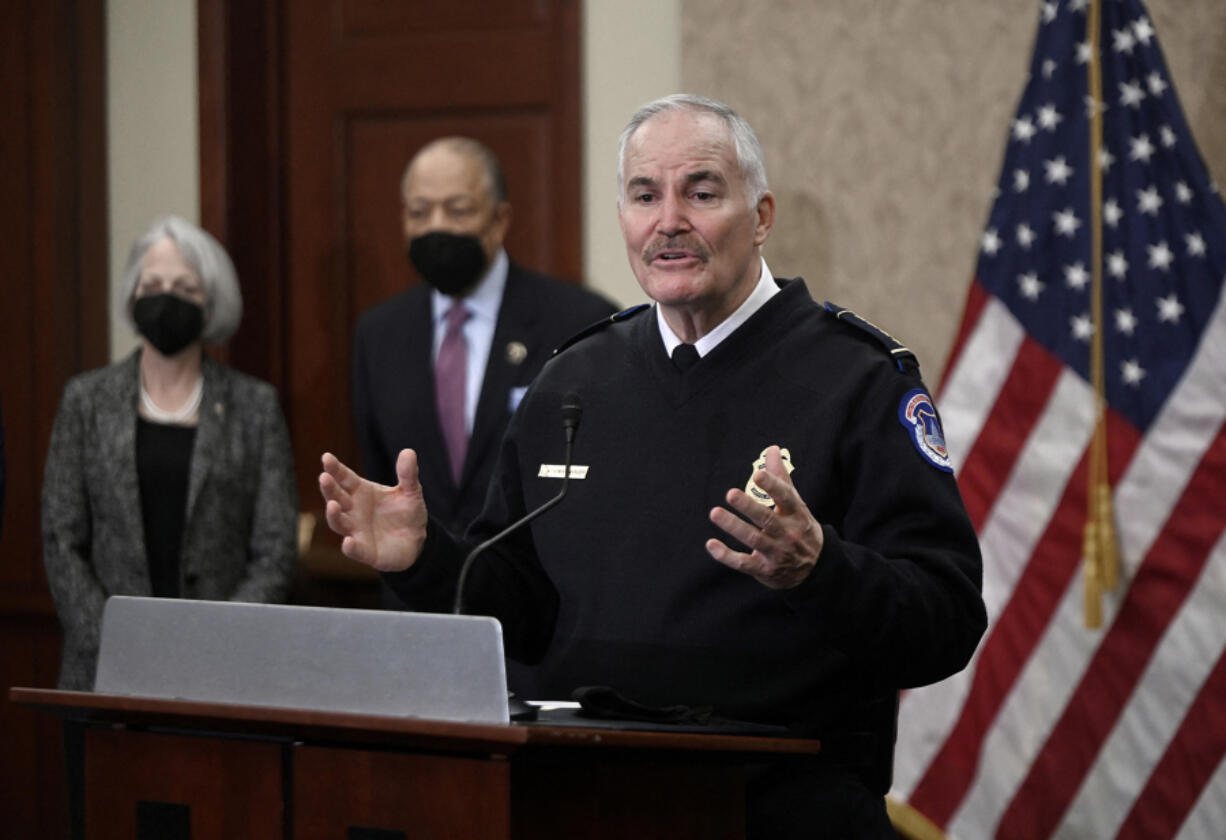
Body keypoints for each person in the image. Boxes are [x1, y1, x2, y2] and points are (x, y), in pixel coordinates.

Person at [320, 95, 986, 838]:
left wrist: (819, 569)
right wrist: (425, 557)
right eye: (645, 195)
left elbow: (947, 620)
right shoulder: (572, 380)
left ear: (761, 217)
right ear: (624, 219)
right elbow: (521, 609)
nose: (669, 219)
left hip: (776, 810)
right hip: (579, 800)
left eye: (701, 193)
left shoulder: (857, 379)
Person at [42, 215, 298, 691]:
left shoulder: (255, 407)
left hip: (223, 673)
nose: (165, 299)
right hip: (104, 671)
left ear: (211, 303)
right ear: (132, 294)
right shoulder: (85, 401)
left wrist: (210, 644)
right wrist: (115, 640)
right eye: (153, 284)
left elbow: (275, 552)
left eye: (183, 288)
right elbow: (61, 538)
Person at [351, 137, 618, 539]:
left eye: (457, 210)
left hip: (534, 589)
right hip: (419, 588)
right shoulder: (379, 334)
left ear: (499, 220)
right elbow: (378, 472)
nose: (436, 226)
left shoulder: (579, 321)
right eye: (419, 212)